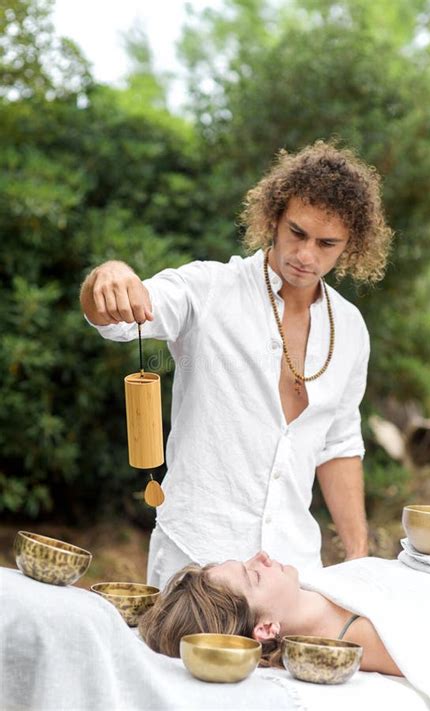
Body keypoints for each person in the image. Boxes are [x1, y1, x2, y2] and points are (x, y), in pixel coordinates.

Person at [80, 140, 393, 590]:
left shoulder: (350, 327)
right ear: (274, 218)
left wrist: (358, 557)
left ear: (352, 245)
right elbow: (119, 318)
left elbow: (339, 444)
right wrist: (109, 275)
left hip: (294, 575)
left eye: (327, 244)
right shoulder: (209, 288)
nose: (306, 255)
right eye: (297, 233)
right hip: (195, 562)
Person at [138, 550, 402, 676]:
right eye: (254, 575)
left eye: (245, 562)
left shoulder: (318, 590)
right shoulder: (370, 640)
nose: (261, 556)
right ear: (265, 628)